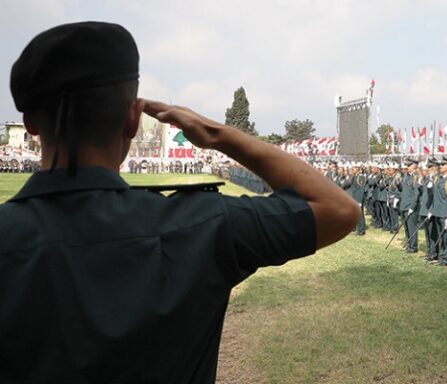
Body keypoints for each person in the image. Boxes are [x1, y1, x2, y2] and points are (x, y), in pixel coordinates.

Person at [0, 21, 359, 382]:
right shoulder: (201, 226)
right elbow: (338, 209)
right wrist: (218, 135)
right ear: (132, 119)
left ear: (30, 122)